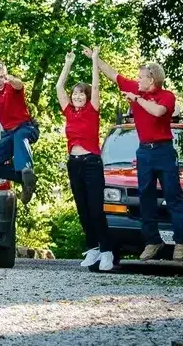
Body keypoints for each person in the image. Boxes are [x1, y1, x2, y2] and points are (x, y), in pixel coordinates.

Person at [86, 47, 183, 261]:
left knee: (173, 197)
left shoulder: (167, 96)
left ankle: (181, 243)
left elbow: (158, 112)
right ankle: (152, 241)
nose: (137, 80)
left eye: (141, 77)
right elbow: (113, 74)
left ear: (152, 79)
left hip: (164, 151)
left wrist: (137, 99)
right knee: (146, 197)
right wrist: (96, 59)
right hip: (144, 152)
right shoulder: (135, 88)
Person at [57, 47, 113, 271]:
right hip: (74, 163)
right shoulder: (69, 111)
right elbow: (59, 87)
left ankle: (107, 251)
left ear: (87, 97)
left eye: (81, 93)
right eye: (75, 93)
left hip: (91, 163)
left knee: (96, 209)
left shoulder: (92, 110)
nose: (77, 96)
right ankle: (93, 249)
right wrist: (67, 63)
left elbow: (96, 85)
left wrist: (95, 60)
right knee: (82, 208)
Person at [0, 60, 39, 204]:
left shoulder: (11, 84)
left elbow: (19, 84)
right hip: (8, 134)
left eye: (1, 77)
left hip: (26, 127)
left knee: (20, 136)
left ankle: (26, 169)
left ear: (5, 75)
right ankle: (25, 180)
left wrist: (11, 79)